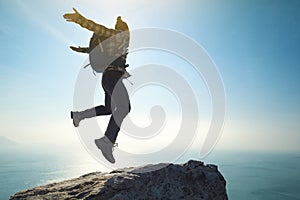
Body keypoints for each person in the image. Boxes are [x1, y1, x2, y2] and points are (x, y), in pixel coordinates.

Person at [63, 8, 131, 164]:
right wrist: (80, 19)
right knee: (124, 108)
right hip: (113, 77)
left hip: (108, 78)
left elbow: (96, 49)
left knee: (109, 109)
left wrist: (81, 50)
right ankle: (106, 142)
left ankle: (79, 115)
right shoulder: (118, 36)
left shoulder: (118, 42)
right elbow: (96, 27)